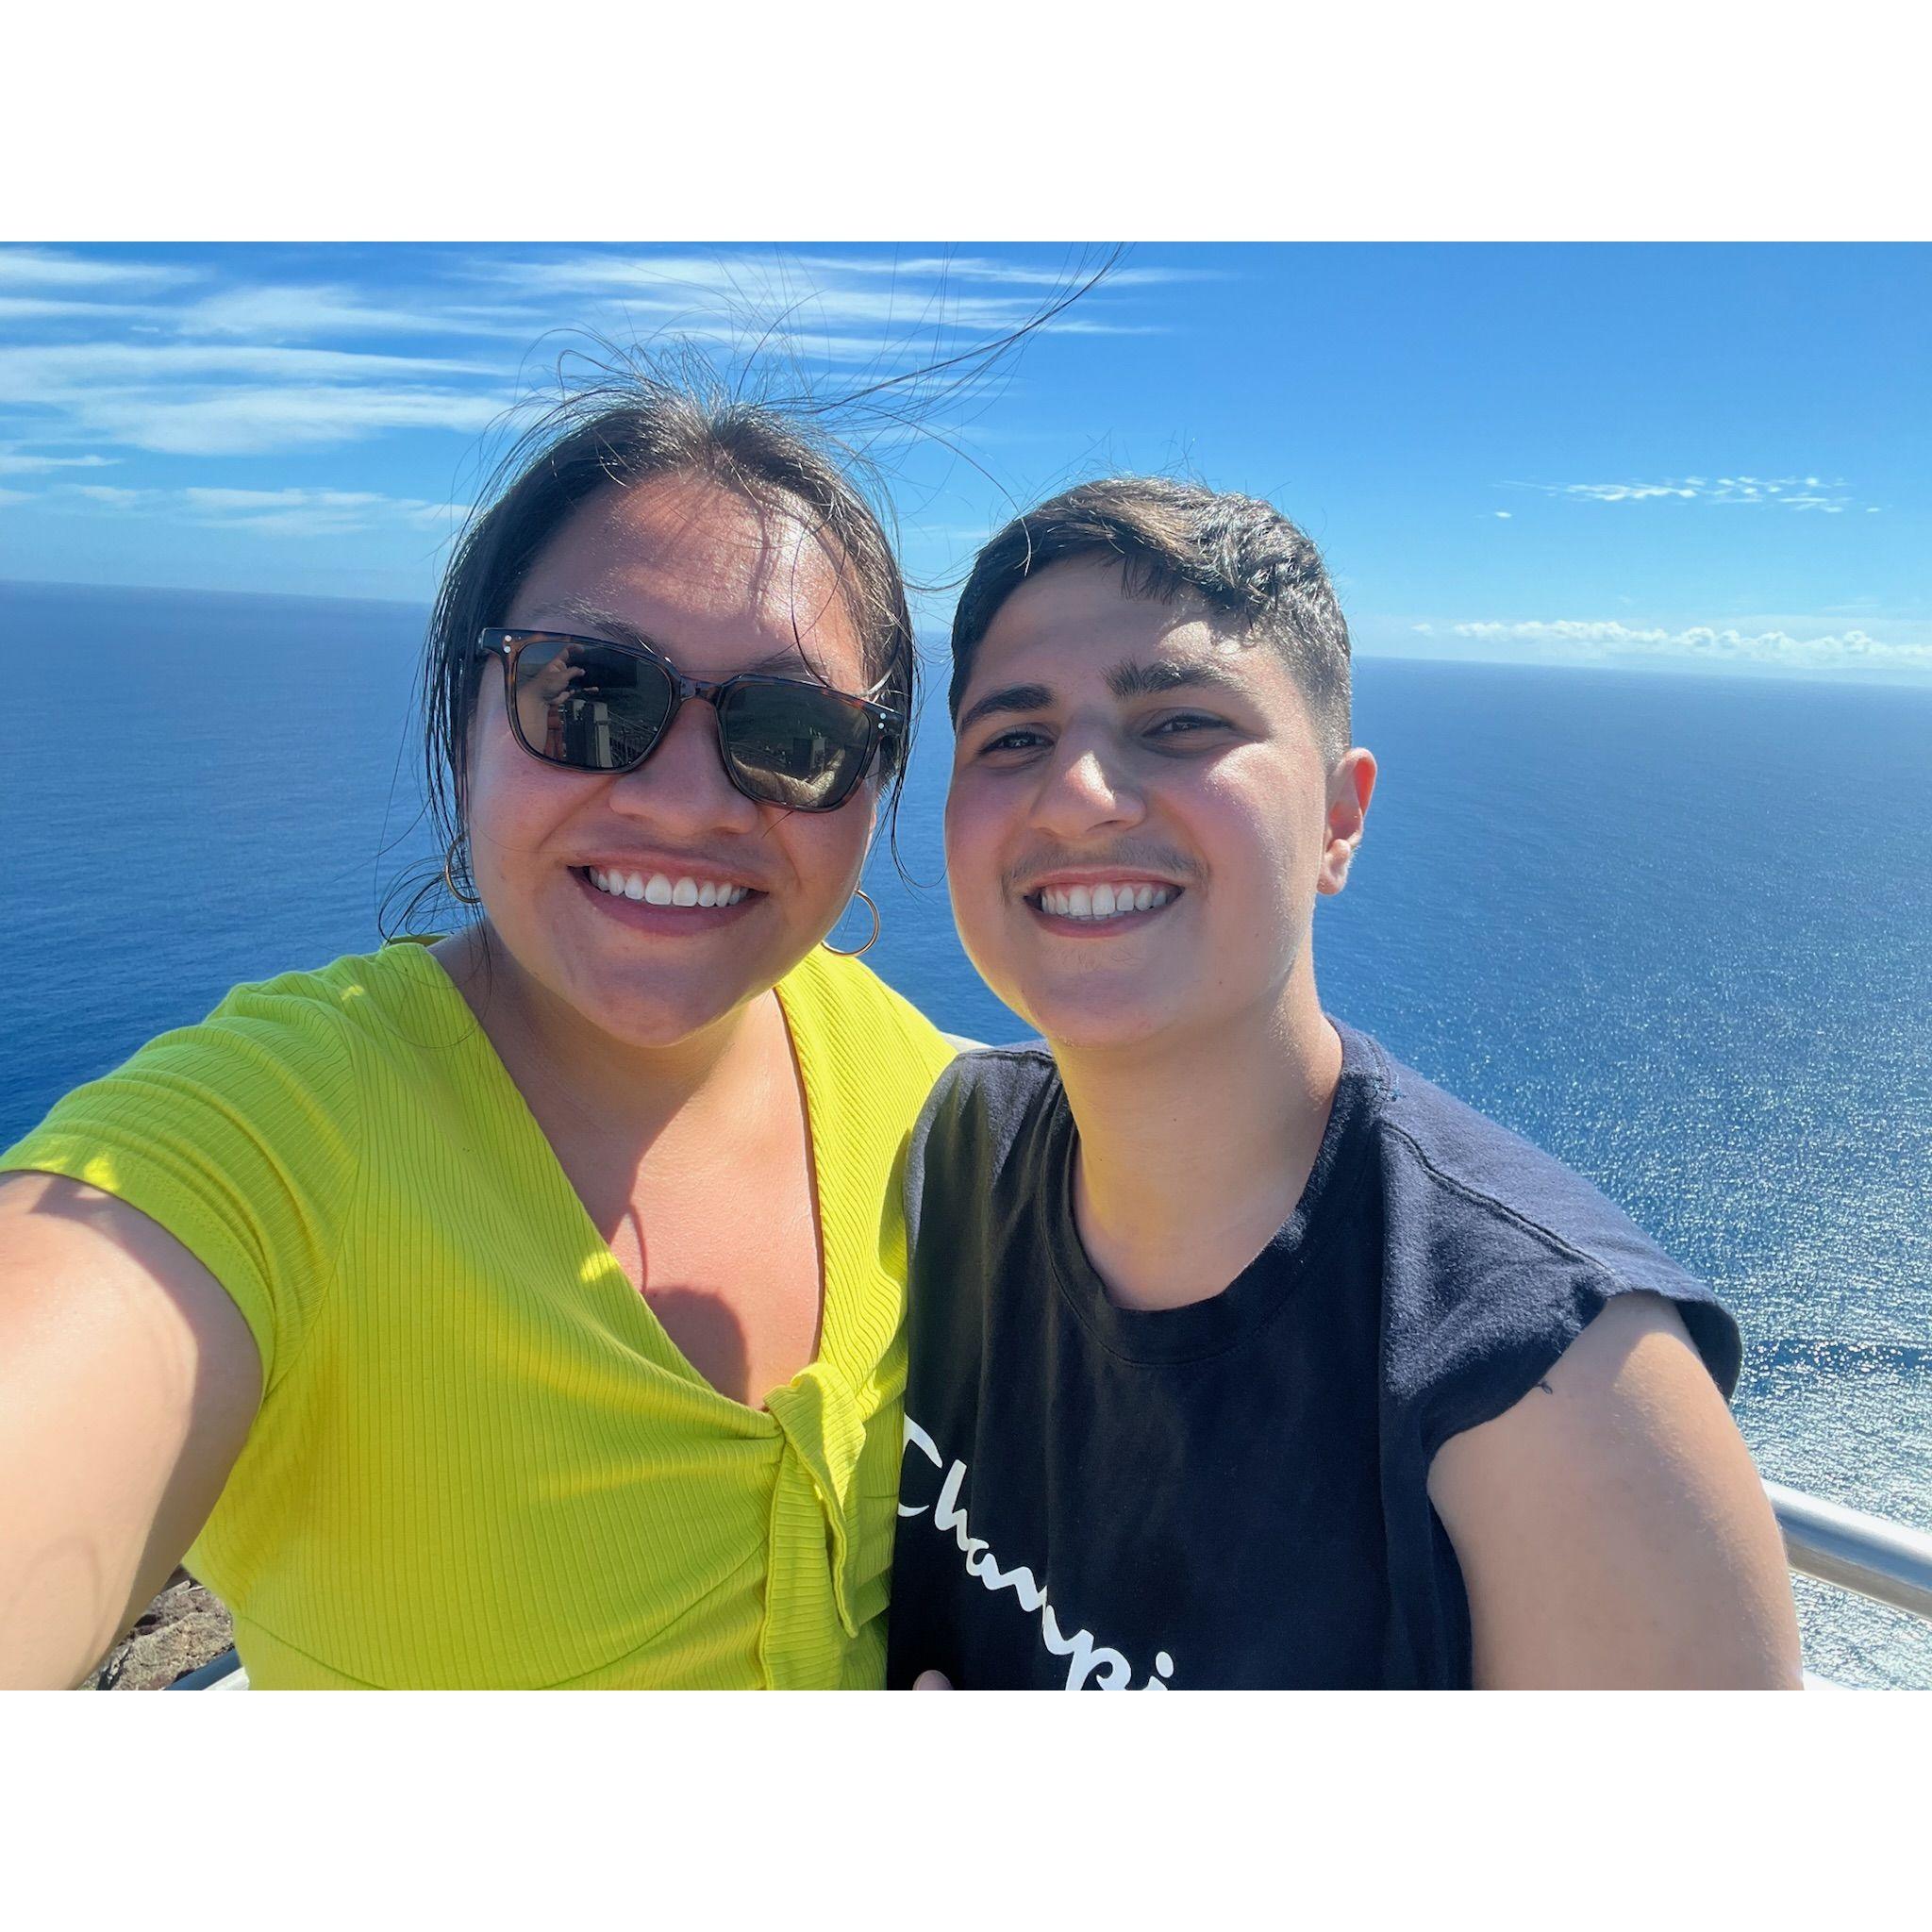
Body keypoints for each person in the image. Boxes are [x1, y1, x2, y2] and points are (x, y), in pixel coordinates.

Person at [0, 382, 957, 1689]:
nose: (685, 801)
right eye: (588, 694)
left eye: (791, 732)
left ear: (873, 786)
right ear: (466, 730)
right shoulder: (277, 1133)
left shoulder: (933, 1098)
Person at [888, 477, 1804, 1690]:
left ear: (1336, 818)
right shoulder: (943, 1161)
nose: (1078, 793)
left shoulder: (1561, 1391)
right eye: (1013, 738)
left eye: (1178, 723)